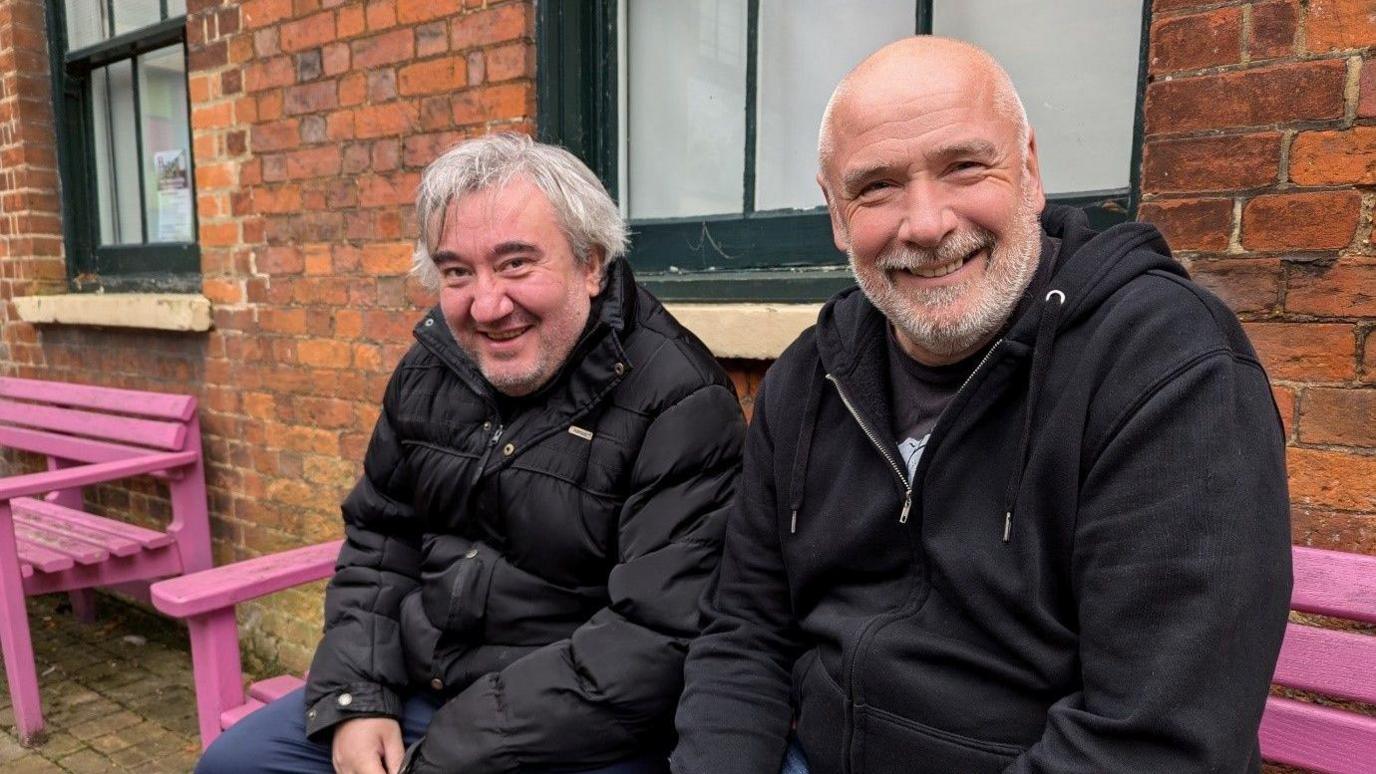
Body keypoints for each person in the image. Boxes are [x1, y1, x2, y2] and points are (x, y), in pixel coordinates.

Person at [672, 37, 1292, 774]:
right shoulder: (811, 378)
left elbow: (1157, 742)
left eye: (964, 167)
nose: (927, 224)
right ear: (837, 217)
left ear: (1029, 170)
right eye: (876, 188)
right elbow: (744, 634)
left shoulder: (1165, 366)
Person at [197, 133, 745, 774]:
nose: (486, 305)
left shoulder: (678, 399)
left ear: (591, 264)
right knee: (233, 764)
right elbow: (380, 537)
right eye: (457, 272)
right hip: (414, 683)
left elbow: (657, 636)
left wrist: (451, 750)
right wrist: (358, 697)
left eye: (516, 264)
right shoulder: (431, 369)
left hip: (575, 727)